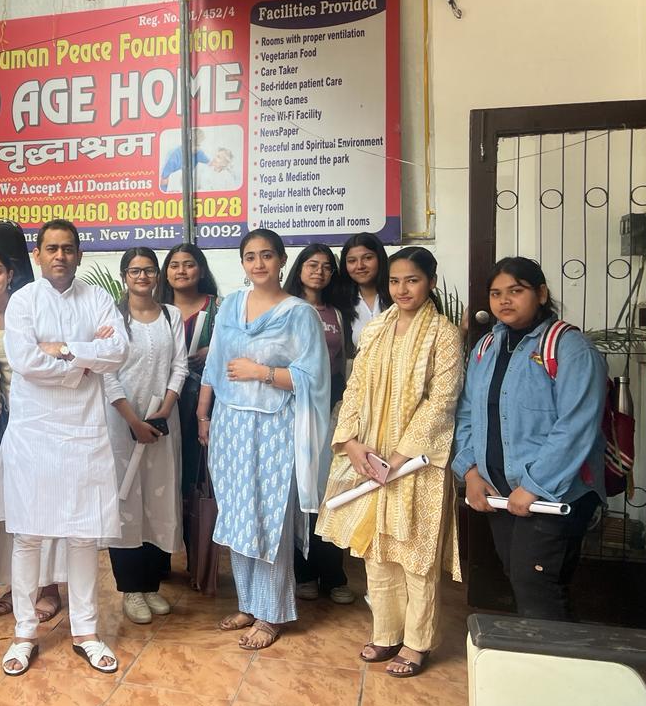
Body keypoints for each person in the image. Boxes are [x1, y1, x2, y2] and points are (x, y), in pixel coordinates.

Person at [0, 220, 129, 676]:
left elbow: (119, 351)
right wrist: (83, 360)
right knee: (29, 535)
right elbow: (25, 361)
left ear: (79, 255)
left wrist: (61, 348)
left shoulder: (98, 298)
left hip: (84, 433)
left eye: (68, 248)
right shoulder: (24, 300)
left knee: (84, 534)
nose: (60, 256)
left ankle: (86, 629)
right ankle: (25, 631)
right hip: (34, 434)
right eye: (51, 249)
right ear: (39, 255)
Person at [316, 247, 464, 678]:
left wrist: (399, 458)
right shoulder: (378, 329)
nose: (402, 289)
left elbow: (442, 402)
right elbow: (356, 387)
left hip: (416, 464)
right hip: (371, 458)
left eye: (412, 280)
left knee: (414, 552)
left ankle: (417, 643)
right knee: (376, 549)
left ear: (430, 283)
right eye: (395, 281)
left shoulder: (444, 334)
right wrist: (353, 444)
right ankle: (385, 633)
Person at [197, 230, 330, 651]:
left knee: (269, 515)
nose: (258, 264)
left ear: (281, 260)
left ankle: (272, 613)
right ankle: (248, 604)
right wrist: (203, 411)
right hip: (230, 423)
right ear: (242, 263)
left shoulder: (299, 314)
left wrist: (263, 373)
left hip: (275, 427)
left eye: (266, 255)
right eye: (250, 256)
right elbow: (215, 363)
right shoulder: (232, 305)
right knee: (238, 514)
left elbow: (313, 378)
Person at [454, 257, 607, 621]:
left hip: (552, 496)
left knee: (535, 585)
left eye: (516, 291)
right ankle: (549, 666)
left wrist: (535, 486)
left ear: (541, 293)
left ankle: (553, 672)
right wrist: (471, 472)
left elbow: (576, 425)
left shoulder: (569, 348)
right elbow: (466, 415)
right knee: (523, 579)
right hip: (501, 493)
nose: (504, 300)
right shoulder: (486, 348)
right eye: (496, 293)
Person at [0, 230, 69, 621]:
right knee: (12, 508)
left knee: (44, 503)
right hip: (3, 420)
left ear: (12, 271)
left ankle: (49, 587)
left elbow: (59, 354)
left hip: (43, 416)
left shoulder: (33, 305)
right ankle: (19, 584)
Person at [104, 247, 187, 624]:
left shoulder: (171, 315)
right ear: (125, 276)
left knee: (159, 498)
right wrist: (133, 419)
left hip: (164, 421)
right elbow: (105, 371)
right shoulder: (113, 318)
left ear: (157, 276)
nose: (142, 277)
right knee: (126, 502)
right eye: (135, 271)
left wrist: (166, 408)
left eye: (149, 270)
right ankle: (130, 590)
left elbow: (180, 365)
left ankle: (151, 585)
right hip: (122, 423)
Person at [283, 243, 355, 606]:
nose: (319, 272)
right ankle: (304, 574)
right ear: (299, 269)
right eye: (313, 265)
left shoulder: (336, 315)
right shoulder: (286, 308)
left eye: (327, 267)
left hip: (327, 415)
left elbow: (341, 365)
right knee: (297, 496)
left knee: (329, 494)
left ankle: (334, 575)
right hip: (291, 413)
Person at [156, 243, 219, 563]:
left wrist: (214, 350)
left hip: (203, 406)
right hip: (163, 403)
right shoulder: (155, 309)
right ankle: (162, 552)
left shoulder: (218, 309)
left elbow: (237, 348)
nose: (181, 270)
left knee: (196, 477)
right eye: (174, 264)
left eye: (189, 264)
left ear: (202, 269)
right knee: (164, 476)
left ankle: (199, 555)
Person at [338, 232, 392, 352]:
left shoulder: (398, 296)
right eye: (352, 261)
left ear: (380, 258)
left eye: (368, 258)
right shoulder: (341, 303)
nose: (360, 266)